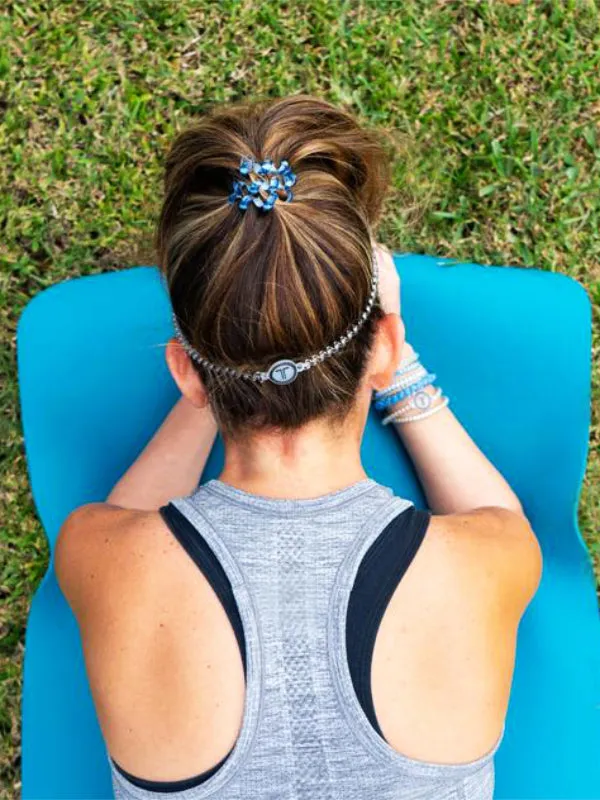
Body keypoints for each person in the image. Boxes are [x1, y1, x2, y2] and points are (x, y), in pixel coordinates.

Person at [54, 94, 542, 800]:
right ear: (383, 348)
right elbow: (502, 519)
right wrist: (399, 373)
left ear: (184, 370)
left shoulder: (98, 555)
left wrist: (219, 372)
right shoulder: (486, 559)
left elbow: (131, 515)